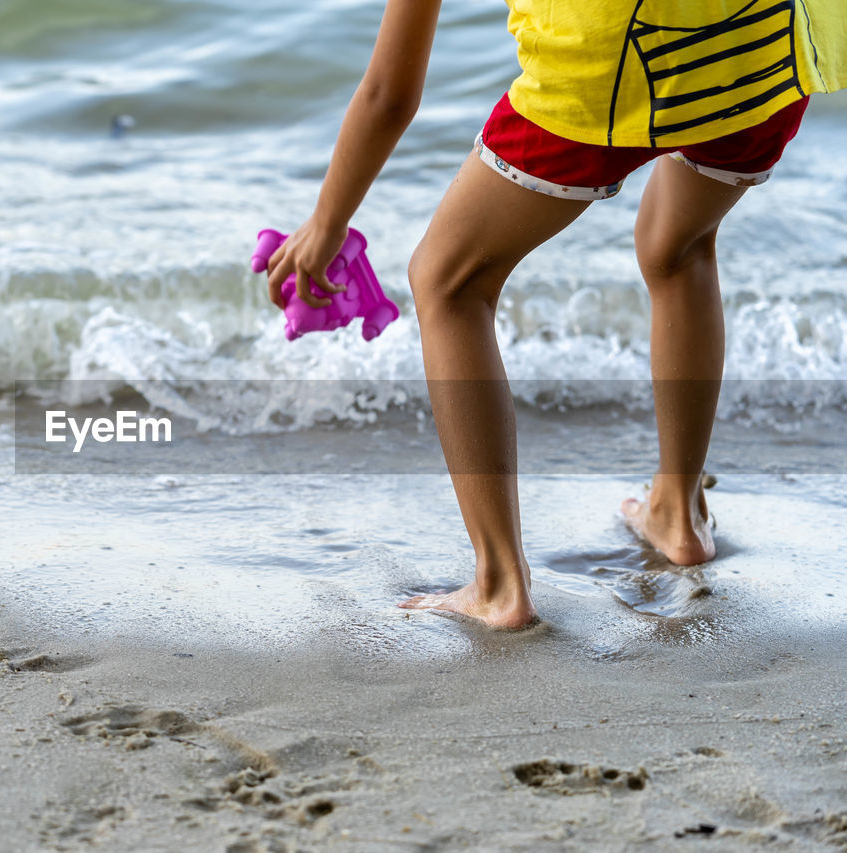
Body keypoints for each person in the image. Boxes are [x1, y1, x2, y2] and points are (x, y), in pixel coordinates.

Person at [263, 0, 844, 628]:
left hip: (603, 69)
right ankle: (679, 514)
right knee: (678, 248)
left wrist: (328, 221)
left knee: (449, 281)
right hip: (759, 53)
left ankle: (499, 585)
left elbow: (389, 95)